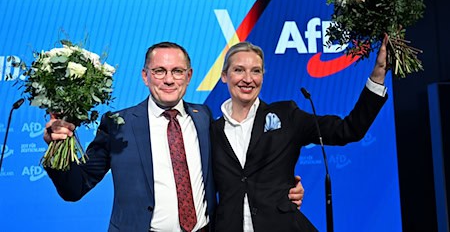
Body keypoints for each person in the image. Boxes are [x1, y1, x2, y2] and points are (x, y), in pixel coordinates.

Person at [43, 41, 304, 232]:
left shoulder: (204, 118)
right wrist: (57, 149)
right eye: (159, 71)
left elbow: (237, 173)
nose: (169, 80)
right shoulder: (118, 124)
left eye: (177, 71)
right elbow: (75, 188)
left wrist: (282, 189)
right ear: (145, 76)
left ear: (188, 77)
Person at [210, 38, 390, 231]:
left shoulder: (287, 115)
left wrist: (378, 73)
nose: (248, 78)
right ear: (224, 76)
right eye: (239, 70)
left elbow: (348, 130)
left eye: (256, 71)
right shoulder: (209, 130)